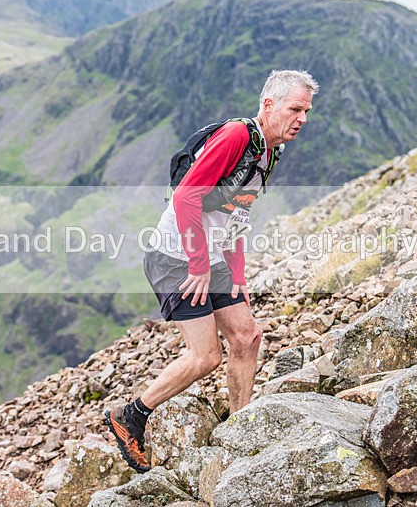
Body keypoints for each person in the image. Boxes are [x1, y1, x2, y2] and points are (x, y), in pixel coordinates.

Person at [104, 69, 320, 472]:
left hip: (213, 258)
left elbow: (237, 215)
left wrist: (235, 275)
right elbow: (186, 196)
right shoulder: (238, 136)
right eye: (295, 108)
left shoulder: (269, 152)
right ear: (269, 105)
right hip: (177, 258)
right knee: (204, 356)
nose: (302, 119)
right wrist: (200, 263)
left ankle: (240, 427)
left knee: (248, 336)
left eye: (306, 111)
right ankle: (130, 416)